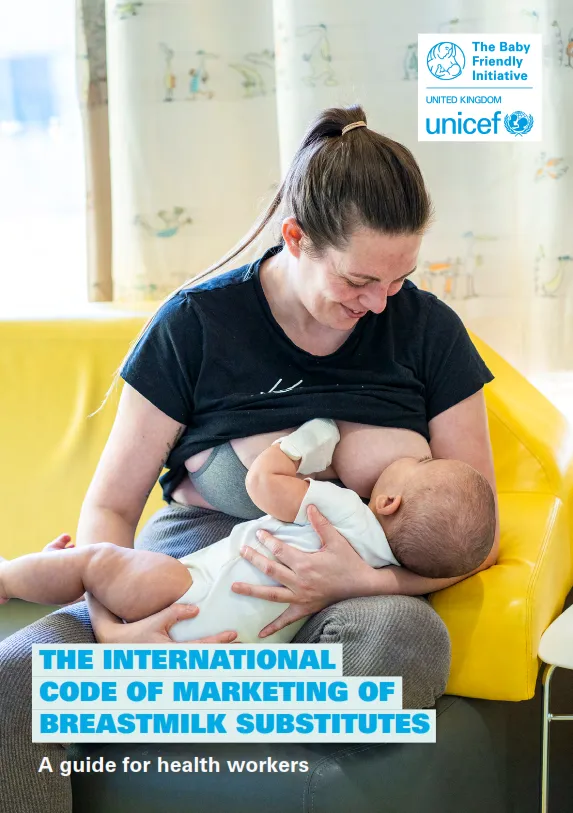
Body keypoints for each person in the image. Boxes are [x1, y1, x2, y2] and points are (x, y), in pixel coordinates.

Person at [0, 105, 499, 813]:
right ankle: (153, 683)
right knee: (14, 676)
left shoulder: (429, 333)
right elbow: (112, 503)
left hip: (345, 599)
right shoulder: (196, 324)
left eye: (399, 278)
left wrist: (358, 576)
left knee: (403, 653)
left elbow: (475, 529)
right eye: (358, 281)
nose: (382, 303)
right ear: (295, 238)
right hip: (183, 581)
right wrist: (116, 630)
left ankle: (152, 700)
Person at [0, 420, 496, 643]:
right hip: (244, 642)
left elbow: (262, 481)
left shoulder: (342, 508)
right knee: (31, 659)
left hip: (189, 593)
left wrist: (312, 438)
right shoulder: (385, 560)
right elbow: (469, 554)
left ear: (388, 501)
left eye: (422, 462)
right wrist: (109, 633)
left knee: (95, 563)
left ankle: (10, 577)